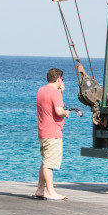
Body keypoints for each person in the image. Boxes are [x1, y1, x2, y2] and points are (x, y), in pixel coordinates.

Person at [35, 67, 71, 201]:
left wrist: (59, 91)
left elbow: (48, 103)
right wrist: (66, 113)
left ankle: (40, 189)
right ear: (58, 79)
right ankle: (50, 192)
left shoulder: (41, 90)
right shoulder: (55, 93)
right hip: (53, 132)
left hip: (42, 131)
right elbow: (59, 111)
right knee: (49, 164)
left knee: (45, 161)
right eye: (61, 79)